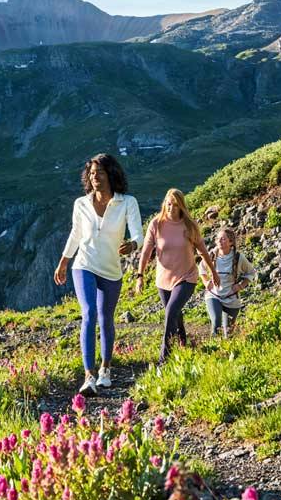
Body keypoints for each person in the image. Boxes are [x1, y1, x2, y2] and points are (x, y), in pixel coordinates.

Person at [53, 154, 142, 393]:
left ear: (111, 175)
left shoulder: (127, 203)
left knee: (106, 319)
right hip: (84, 264)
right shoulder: (81, 203)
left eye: (99, 173)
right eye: (91, 174)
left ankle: (105, 369)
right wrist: (63, 262)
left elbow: (138, 235)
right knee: (89, 313)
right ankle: (89, 376)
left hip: (112, 269)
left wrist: (132, 245)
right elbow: (75, 234)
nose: (95, 178)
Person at [137, 188, 215, 365]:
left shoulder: (189, 225)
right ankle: (182, 340)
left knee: (170, 312)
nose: (171, 207)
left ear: (181, 206)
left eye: (175, 204)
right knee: (175, 314)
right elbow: (146, 251)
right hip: (163, 280)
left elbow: (203, 251)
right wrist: (140, 275)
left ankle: (164, 359)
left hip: (186, 277)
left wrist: (214, 273)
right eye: (168, 203)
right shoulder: (156, 224)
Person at [200, 226, 257, 338]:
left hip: (231, 297)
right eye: (218, 239)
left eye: (223, 239)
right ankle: (213, 349)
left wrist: (241, 286)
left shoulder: (238, 258)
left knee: (228, 333)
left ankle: (227, 351)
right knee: (216, 321)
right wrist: (206, 282)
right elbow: (201, 269)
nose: (219, 241)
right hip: (214, 294)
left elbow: (251, 272)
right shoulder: (211, 255)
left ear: (231, 242)